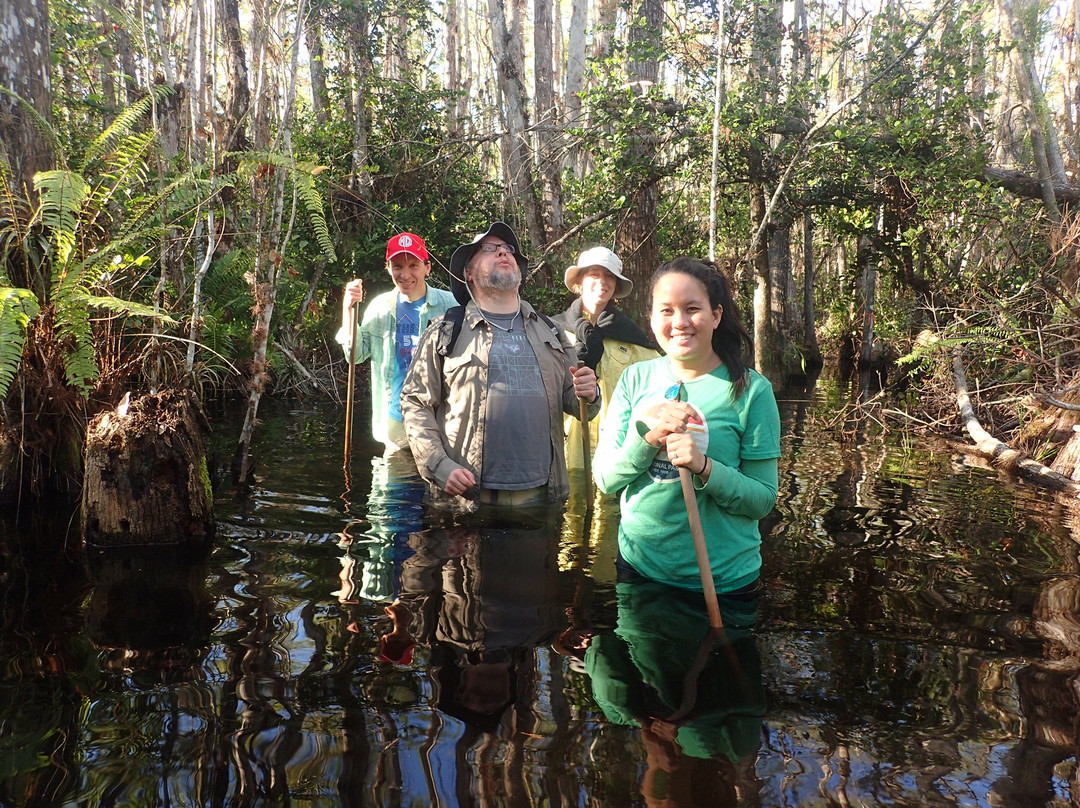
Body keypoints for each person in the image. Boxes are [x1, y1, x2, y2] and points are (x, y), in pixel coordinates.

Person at [593, 256, 781, 594]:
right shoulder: (635, 378)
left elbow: (762, 500)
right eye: (666, 310)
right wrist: (648, 440)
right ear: (651, 319)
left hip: (723, 584)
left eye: (692, 308)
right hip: (638, 573)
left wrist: (704, 467)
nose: (680, 322)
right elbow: (606, 479)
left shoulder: (752, 390)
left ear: (716, 314)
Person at [401, 222, 600, 505]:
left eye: (509, 250)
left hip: (543, 497)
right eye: (489, 249)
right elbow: (415, 403)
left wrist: (589, 394)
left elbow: (577, 405)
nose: (503, 253)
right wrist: (439, 466)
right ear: (468, 273)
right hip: (466, 500)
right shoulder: (445, 331)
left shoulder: (552, 331)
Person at [336, 232, 456, 452]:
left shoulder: (451, 306)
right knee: (390, 485)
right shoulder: (379, 307)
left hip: (441, 426)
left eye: (413, 265)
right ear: (388, 268)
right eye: (398, 266)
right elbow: (354, 355)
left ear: (427, 267)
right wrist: (348, 308)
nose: (405, 274)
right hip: (394, 426)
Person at [556, 246, 657, 471]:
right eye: (594, 273)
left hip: (615, 456)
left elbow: (660, 382)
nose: (602, 281)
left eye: (609, 275)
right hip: (563, 456)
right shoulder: (553, 332)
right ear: (580, 282)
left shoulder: (631, 339)